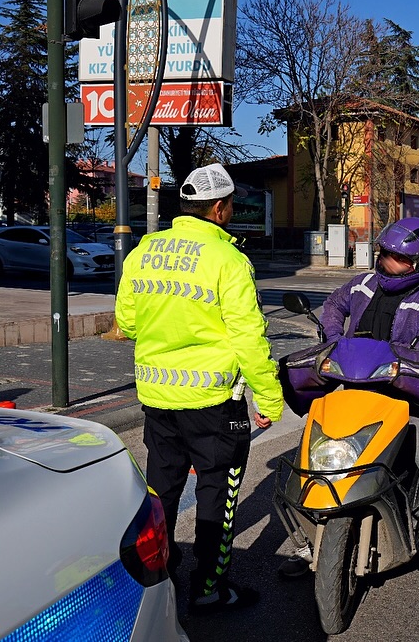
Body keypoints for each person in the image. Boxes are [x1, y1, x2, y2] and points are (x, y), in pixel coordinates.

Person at [278, 217, 419, 586]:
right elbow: (333, 306)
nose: (389, 262)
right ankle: (313, 541)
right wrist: (331, 340)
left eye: (399, 259)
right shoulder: (362, 284)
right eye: (386, 254)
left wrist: (400, 365)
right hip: (355, 385)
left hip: (408, 393)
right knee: (318, 457)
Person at [115, 163, 285, 615]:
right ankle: (210, 588)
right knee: (217, 495)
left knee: (161, 490)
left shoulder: (144, 251)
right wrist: (269, 399)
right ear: (220, 208)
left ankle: (159, 574)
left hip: (157, 399)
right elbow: (249, 339)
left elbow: (127, 322)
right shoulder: (228, 261)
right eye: (230, 206)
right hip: (213, 404)